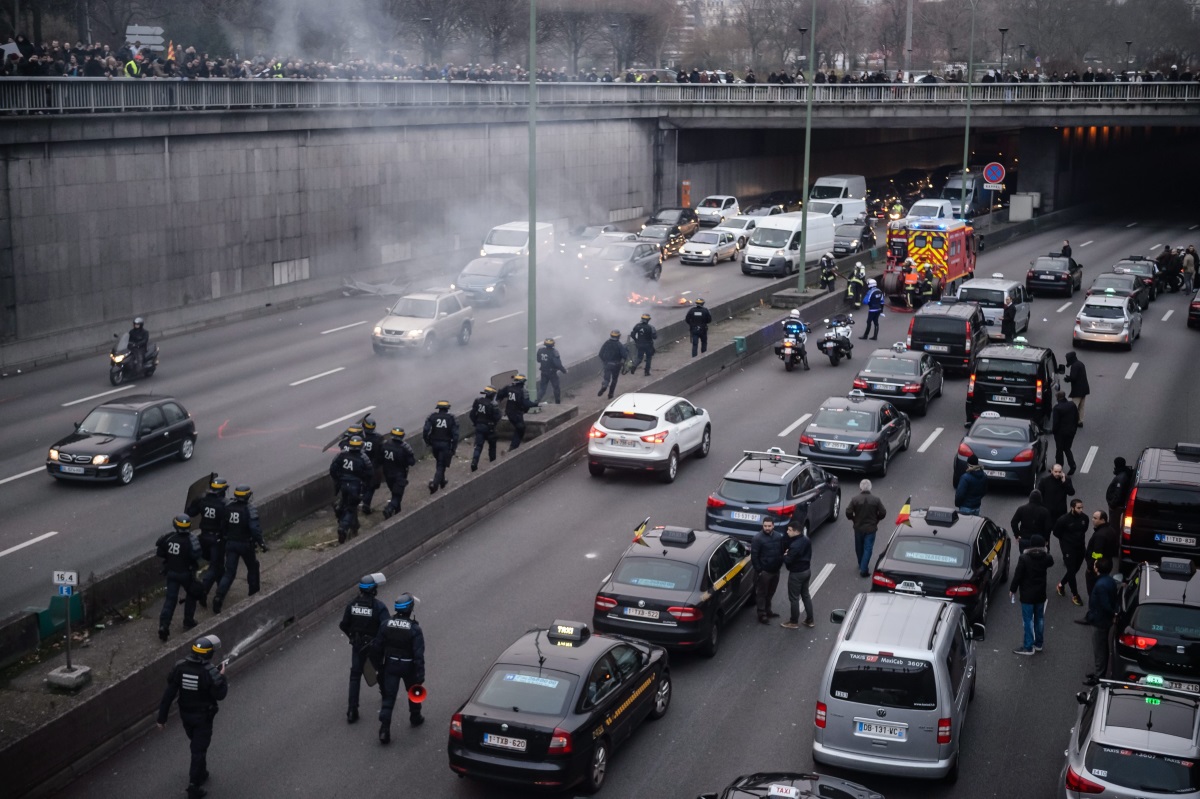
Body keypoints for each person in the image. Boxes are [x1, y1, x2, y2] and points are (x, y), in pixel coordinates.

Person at [157, 635, 228, 799]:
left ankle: (201, 773)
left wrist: (162, 718)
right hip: (203, 718)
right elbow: (220, 694)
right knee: (198, 750)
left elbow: (168, 694)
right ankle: (193, 786)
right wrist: (222, 676)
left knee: (197, 745)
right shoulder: (210, 672)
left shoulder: (179, 667)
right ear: (208, 654)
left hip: (186, 716)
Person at [372, 592, 426, 743]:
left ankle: (384, 729)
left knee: (389, 698)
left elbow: (377, 647)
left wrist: (379, 667)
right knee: (414, 691)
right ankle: (415, 716)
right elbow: (419, 655)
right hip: (409, 667)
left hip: (390, 666)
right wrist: (420, 675)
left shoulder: (386, 624)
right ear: (410, 609)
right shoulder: (414, 629)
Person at [339, 573, 389, 724]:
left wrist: (352, 638)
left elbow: (343, 625)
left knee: (355, 676)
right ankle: (386, 695)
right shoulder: (379, 606)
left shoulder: (352, 605)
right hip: (374, 646)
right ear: (373, 590)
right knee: (380, 669)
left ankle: (352, 710)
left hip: (358, 646)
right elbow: (386, 626)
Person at [212, 485, 266, 614]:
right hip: (246, 544)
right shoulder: (249, 509)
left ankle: (218, 597)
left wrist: (226, 537)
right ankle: (254, 594)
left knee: (229, 572)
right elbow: (254, 529)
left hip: (231, 544)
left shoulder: (228, 507)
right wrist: (261, 543)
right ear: (247, 496)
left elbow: (223, 526)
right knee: (253, 567)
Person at [156, 514, 203, 641]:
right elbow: (196, 555)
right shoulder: (190, 539)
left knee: (170, 600)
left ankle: (163, 626)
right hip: (186, 574)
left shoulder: (169, 538)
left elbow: (159, 551)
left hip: (171, 573)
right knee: (192, 594)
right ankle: (188, 621)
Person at [1010, 534, 1054, 655]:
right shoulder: (1046, 558)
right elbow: (1051, 561)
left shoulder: (1024, 558)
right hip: (1040, 593)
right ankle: (1039, 643)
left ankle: (1028, 646)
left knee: (1028, 620)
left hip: (1027, 595)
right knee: (1039, 618)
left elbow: (1018, 575)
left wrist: (1012, 589)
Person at [186, 476, 228, 602]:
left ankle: (222, 587)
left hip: (203, 537)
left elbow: (190, 512)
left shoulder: (202, 500)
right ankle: (203, 590)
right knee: (215, 566)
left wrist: (196, 501)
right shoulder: (224, 504)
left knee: (219, 565)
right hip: (217, 540)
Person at [1079, 559, 1118, 685]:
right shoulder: (1109, 581)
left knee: (1099, 648)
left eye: (1095, 565)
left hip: (1100, 620)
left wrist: (1113, 613)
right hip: (1102, 620)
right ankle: (1099, 672)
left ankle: (1099, 676)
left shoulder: (1101, 585)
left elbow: (1105, 605)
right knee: (1102, 647)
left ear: (1097, 569)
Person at [329, 436, 372, 542]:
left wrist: (338, 479)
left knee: (344, 503)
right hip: (355, 487)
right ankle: (343, 527)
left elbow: (333, 469)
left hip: (343, 485)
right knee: (351, 509)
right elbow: (370, 474)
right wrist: (364, 486)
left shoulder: (342, 455)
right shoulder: (363, 457)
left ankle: (339, 511)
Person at [845, 479, 887, 577]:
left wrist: (853, 519)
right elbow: (883, 512)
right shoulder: (876, 500)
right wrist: (877, 519)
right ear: (870, 488)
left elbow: (848, 512)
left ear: (860, 488)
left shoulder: (855, 499)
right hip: (871, 529)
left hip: (858, 528)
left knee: (859, 547)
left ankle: (861, 564)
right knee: (868, 548)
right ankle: (864, 568)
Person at [780, 516, 814, 629]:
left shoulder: (795, 545)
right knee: (805, 595)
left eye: (789, 530)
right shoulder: (806, 540)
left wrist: (785, 555)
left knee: (794, 598)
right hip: (806, 570)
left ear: (795, 531)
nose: (787, 532)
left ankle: (793, 621)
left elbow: (788, 560)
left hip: (796, 574)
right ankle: (810, 619)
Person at [1053, 499, 1089, 606]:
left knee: (1075, 569)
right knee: (1071, 570)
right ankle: (1075, 594)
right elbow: (1056, 532)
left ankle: (1061, 585)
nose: (1081, 510)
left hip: (1081, 547)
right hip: (1069, 549)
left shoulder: (1085, 518)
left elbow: (1084, 530)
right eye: (1078, 508)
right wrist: (1066, 541)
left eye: (1082, 507)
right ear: (1072, 508)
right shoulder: (1063, 520)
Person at [750, 519, 786, 623]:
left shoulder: (778, 536)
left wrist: (780, 564)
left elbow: (781, 551)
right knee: (762, 593)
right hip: (764, 572)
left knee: (771, 592)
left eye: (769, 526)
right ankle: (761, 614)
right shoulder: (757, 539)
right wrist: (760, 570)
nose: (767, 528)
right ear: (763, 526)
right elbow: (754, 556)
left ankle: (768, 610)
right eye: (765, 526)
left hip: (775, 570)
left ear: (773, 526)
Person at [423, 400, 459, 494]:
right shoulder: (451, 418)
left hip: (434, 444)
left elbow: (425, 430)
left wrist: (428, 442)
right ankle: (434, 484)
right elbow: (455, 436)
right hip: (445, 445)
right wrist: (453, 448)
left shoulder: (432, 417)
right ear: (447, 409)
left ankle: (442, 481)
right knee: (441, 465)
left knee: (439, 462)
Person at [380, 428, 416, 520]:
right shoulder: (404, 447)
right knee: (397, 495)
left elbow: (379, 459)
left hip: (387, 474)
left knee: (394, 492)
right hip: (399, 475)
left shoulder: (385, 444)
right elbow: (412, 462)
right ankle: (389, 508)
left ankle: (397, 511)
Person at [1085, 510, 1119, 596]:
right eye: (1093, 517)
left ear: (1103, 520)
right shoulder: (1111, 530)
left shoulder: (1100, 535)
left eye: (1095, 518)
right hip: (1107, 563)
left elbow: (1097, 554)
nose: (1093, 519)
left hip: (1097, 568)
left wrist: (1090, 568)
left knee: (1093, 591)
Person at [469, 386, 501, 472]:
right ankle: (493, 463)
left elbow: (472, 414)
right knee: (492, 446)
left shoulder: (478, 401)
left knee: (478, 446)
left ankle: (474, 463)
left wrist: (476, 423)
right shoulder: (493, 404)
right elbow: (497, 417)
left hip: (479, 427)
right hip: (489, 428)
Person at [1049, 390, 1080, 474]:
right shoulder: (1072, 405)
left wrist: (1053, 431)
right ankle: (1072, 465)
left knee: (1059, 449)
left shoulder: (1057, 408)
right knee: (1067, 448)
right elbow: (1076, 417)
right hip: (1071, 432)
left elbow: (1056, 422)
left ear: (1058, 398)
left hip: (1060, 433)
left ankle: (1059, 466)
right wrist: (1074, 428)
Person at [503, 374, 536, 451]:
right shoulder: (521, 391)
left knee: (519, 428)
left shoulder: (509, 388)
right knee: (520, 428)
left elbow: (500, 394)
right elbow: (525, 403)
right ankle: (513, 447)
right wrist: (535, 404)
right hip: (516, 413)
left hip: (509, 412)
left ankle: (513, 446)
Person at [358, 417, 384, 514]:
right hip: (374, 467)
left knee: (362, 486)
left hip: (361, 467)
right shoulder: (378, 439)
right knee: (370, 487)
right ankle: (366, 504)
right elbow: (382, 454)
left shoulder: (360, 438)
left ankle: (360, 502)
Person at [1105, 456, 1135, 531]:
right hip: (1121, 504)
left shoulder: (1121, 478)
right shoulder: (1126, 473)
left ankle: (1114, 540)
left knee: (1113, 525)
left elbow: (1118, 493)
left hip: (1117, 506)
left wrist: (1112, 504)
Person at [597, 330, 628, 400]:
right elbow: (625, 356)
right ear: (618, 336)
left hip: (607, 364)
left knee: (606, 378)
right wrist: (626, 351)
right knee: (614, 380)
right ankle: (610, 394)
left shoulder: (606, 343)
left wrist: (605, 362)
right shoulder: (619, 344)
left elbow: (600, 354)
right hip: (617, 365)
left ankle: (604, 385)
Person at [535, 338, 566, 404]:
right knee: (556, 388)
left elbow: (538, 360)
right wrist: (564, 371)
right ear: (553, 345)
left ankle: (535, 402)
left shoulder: (540, 350)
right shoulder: (554, 352)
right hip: (552, 373)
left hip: (543, 372)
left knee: (542, 389)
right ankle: (557, 403)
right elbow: (558, 364)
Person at [1063, 351, 1089, 427]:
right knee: (1081, 406)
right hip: (1084, 389)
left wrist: (1068, 379)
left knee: (1073, 407)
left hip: (1077, 390)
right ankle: (1080, 421)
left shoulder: (1074, 366)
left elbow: (1073, 377)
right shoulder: (1081, 364)